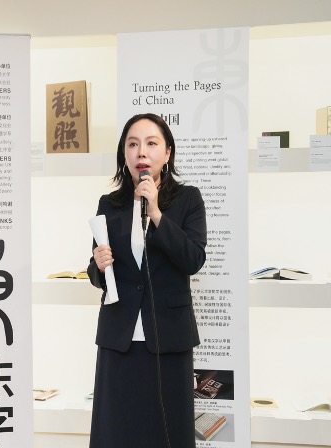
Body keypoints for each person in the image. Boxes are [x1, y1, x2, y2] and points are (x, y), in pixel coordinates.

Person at [87, 113, 207, 448]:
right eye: (133, 144)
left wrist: (155, 212)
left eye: (151, 143)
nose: (141, 151)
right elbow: (96, 271)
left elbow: (193, 259)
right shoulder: (109, 204)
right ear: (124, 154)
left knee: (167, 432)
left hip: (168, 336)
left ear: (167, 153)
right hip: (119, 336)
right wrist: (98, 267)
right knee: (117, 432)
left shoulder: (188, 199)